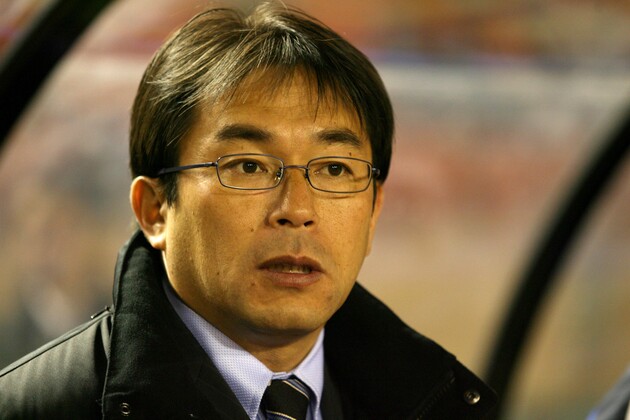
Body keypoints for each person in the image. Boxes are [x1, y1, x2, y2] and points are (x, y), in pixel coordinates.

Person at [0, 2, 497, 418]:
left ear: (373, 214)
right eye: (249, 166)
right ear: (155, 210)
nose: (296, 210)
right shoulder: (36, 408)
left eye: (335, 169)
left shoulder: (439, 401)